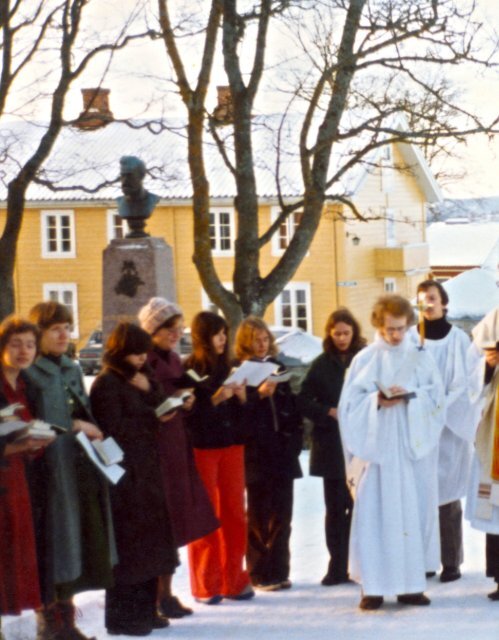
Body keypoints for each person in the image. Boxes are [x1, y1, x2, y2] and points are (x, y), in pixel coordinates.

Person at [338, 294, 444, 610]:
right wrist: (376, 402)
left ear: (410, 324)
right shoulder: (365, 358)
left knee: (410, 513)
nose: (395, 335)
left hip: (410, 449)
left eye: (400, 328)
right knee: (374, 515)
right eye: (389, 329)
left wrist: (413, 398)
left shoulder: (422, 357)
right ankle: (373, 587)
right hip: (378, 450)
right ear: (378, 326)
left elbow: (436, 398)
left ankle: (410, 585)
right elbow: (349, 406)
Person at [26, 301, 116, 640]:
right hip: (49, 470)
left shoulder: (71, 367)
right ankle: (49, 622)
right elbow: (29, 422)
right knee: (54, 543)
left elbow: (83, 408)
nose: (64, 334)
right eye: (55, 329)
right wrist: (72, 423)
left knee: (76, 541)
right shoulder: (31, 372)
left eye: (67, 326)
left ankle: (67, 619)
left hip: (78, 465)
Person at [90, 322, 177, 635]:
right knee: (131, 547)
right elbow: (114, 426)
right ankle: (124, 617)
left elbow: (155, 402)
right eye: (136, 353)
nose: (142, 359)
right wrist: (150, 414)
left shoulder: (141, 377)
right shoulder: (107, 383)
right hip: (124, 471)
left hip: (148, 467)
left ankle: (147, 607)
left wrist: (155, 395)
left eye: (145, 353)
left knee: (152, 542)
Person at [138, 297, 219, 618]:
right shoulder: (146, 361)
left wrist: (187, 400)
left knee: (175, 521)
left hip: (176, 443)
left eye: (178, 327)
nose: (176, 333)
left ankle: (167, 592)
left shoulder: (173, 358)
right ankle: (158, 595)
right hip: (157, 446)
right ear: (152, 329)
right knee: (161, 522)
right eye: (169, 328)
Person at [184, 311, 253, 604]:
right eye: (217, 333)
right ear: (203, 337)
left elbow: (246, 415)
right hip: (202, 448)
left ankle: (233, 579)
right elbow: (188, 416)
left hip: (232, 447)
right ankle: (205, 584)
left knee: (235, 514)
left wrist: (241, 398)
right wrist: (215, 399)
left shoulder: (232, 367)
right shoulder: (189, 369)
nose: (223, 338)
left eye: (225, 332)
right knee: (206, 515)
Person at [412, 280, 477, 582]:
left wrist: (438, 409)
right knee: (420, 497)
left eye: (433, 298)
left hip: (449, 429)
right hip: (418, 429)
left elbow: (464, 384)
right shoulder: (412, 339)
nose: (428, 303)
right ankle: (424, 560)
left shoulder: (458, 341)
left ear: (444, 303)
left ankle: (451, 562)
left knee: (448, 499)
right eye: (423, 299)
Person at [298, 308, 366, 586]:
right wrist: (327, 411)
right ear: (329, 333)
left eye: (346, 333)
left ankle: (359, 564)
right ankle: (336, 565)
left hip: (360, 445)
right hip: (330, 446)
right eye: (336, 333)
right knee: (335, 510)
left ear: (354, 333)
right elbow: (302, 399)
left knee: (360, 508)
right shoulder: (321, 364)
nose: (341, 338)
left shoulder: (364, 359)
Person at [234, 316, 302, 591]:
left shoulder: (278, 367)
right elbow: (238, 417)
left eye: (265, 340)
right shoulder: (239, 372)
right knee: (259, 515)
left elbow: (291, 409)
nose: (262, 345)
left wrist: (294, 440)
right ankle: (259, 572)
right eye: (256, 341)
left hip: (283, 451)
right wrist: (258, 396)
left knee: (283, 514)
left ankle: (280, 569)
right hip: (256, 453)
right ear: (245, 343)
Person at [0, 317, 53, 623]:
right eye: (15, 344)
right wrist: (20, 445)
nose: (24, 351)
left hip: (20, 479)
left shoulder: (25, 384)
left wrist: (39, 439)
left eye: (30, 345)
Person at [464, 306, 499, 600]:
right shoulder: (494, 320)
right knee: (498, 503)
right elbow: (469, 370)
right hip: (497, 424)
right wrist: (487, 365)